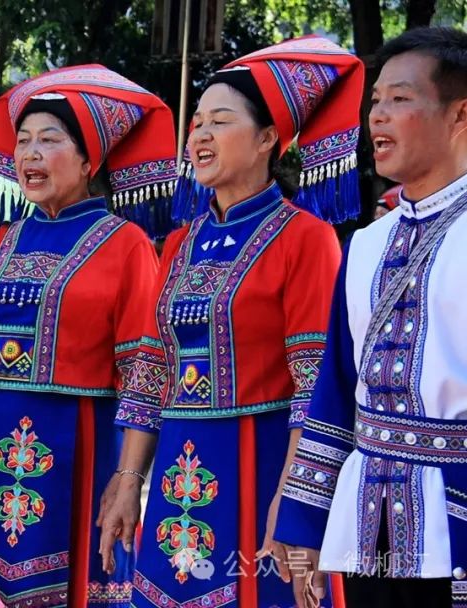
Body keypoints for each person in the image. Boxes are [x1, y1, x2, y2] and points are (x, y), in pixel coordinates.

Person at [0, 65, 175, 607]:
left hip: (75, 458)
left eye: (49, 140)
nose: (30, 154)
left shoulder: (127, 245)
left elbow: (145, 375)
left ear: (90, 161)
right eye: (23, 141)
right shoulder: (0, 241)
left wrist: (128, 479)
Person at [99, 35, 361, 608]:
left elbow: (315, 385)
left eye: (219, 122)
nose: (200, 135)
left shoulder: (306, 238)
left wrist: (295, 498)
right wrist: (127, 481)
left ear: (268, 139)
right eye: (196, 123)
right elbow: (151, 370)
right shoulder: (178, 245)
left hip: (263, 468)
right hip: (177, 473)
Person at [274, 27, 467, 608]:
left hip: (454, 519)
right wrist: (303, 521)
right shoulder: (365, 245)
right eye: (375, 101)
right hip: (367, 525)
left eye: (400, 99)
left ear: (460, 115)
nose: (377, 116)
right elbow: (335, 388)